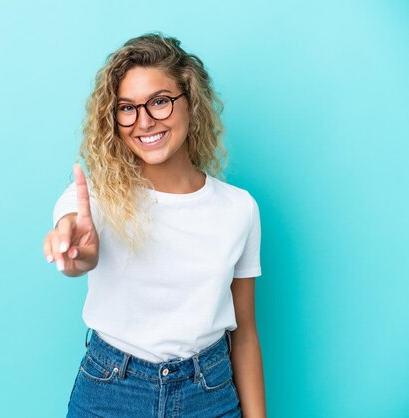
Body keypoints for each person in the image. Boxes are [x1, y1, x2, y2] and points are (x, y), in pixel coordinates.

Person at [42, 32, 266, 418]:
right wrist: (74, 253)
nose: (144, 122)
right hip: (110, 392)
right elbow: (77, 245)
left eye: (160, 102)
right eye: (127, 108)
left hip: (209, 393)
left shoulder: (239, 209)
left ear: (190, 102)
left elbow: (244, 334)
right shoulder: (95, 197)